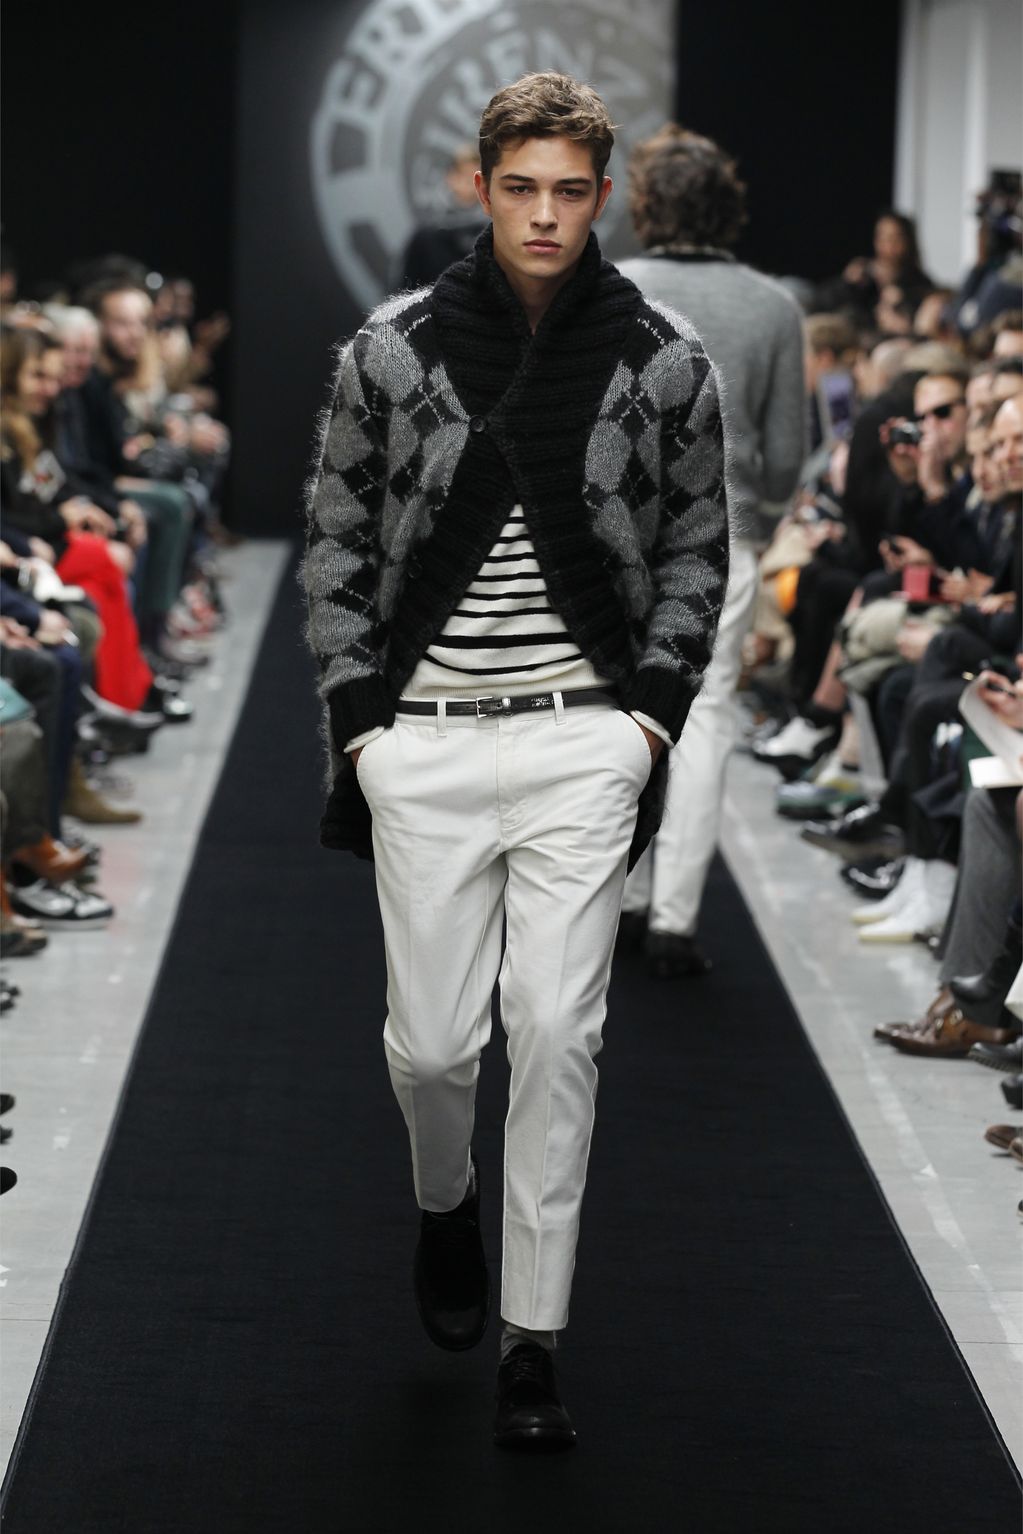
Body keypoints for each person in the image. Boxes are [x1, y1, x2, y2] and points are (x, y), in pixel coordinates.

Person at [302, 71, 729, 1449]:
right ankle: (446, 1204)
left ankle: (532, 1338)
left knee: (558, 1030)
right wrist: (361, 723)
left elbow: (695, 547)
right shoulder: (391, 349)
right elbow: (334, 536)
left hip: (580, 738)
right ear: (479, 187)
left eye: (569, 192)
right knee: (433, 1049)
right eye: (521, 188)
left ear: (602, 198)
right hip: (421, 739)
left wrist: (646, 719)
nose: (544, 215)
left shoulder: (661, 355)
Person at [615, 124, 805, 975]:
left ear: (645, 204)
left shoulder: (612, 292)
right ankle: (673, 921)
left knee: (620, 710)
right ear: (728, 205)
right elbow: (788, 451)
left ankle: (617, 898)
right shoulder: (773, 307)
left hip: (621, 532)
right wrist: (757, 514)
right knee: (705, 717)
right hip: (725, 534)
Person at [396, 143, 487, 289]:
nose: (469, 183)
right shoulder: (426, 236)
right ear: (450, 177)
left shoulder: (494, 234)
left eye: (475, 176)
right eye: (462, 175)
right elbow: (404, 289)